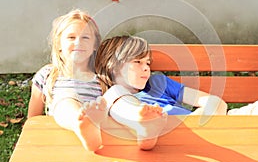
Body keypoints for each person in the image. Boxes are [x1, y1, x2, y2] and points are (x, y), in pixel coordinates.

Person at [27, 9, 166, 151]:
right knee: (65, 99)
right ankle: (81, 123)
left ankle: (141, 123)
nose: (78, 42)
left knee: (116, 92)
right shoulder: (48, 74)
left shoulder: (102, 75)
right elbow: (33, 119)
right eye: (71, 37)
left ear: (95, 45)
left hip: (103, 133)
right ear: (58, 45)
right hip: (65, 136)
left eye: (85, 37)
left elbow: (125, 93)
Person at [95, 35, 228, 119]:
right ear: (112, 66)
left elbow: (215, 102)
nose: (147, 68)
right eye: (137, 62)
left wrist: (195, 120)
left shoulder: (157, 82)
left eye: (148, 62)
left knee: (249, 113)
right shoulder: (117, 103)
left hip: (215, 123)